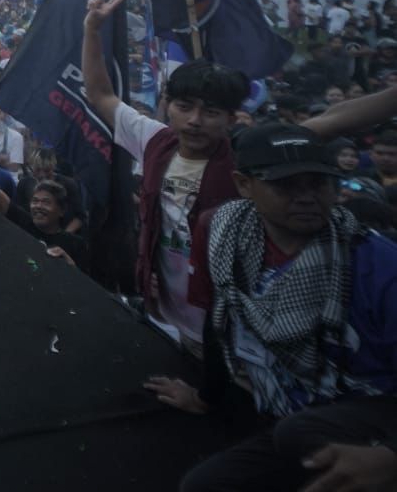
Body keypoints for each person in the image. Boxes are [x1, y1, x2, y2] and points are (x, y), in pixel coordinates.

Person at [145, 123, 397, 492]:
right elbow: (222, 325)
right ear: (244, 184)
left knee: (300, 432)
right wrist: (204, 397)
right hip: (291, 416)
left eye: (319, 183)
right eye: (286, 185)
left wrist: (390, 457)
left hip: (372, 417)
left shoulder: (377, 265)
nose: (307, 197)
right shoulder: (224, 237)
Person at [82, 0, 247, 352]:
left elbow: (329, 123)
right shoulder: (154, 140)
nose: (195, 121)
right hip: (165, 308)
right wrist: (92, 30)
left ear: (232, 118)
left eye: (211, 112)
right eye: (185, 107)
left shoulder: (248, 160)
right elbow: (99, 94)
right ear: (168, 105)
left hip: (225, 323)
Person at [25, 181, 88, 267]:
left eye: (46, 202)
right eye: (35, 201)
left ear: (62, 210)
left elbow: (84, 278)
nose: (38, 206)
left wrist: (71, 267)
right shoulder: (22, 227)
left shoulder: (76, 244)